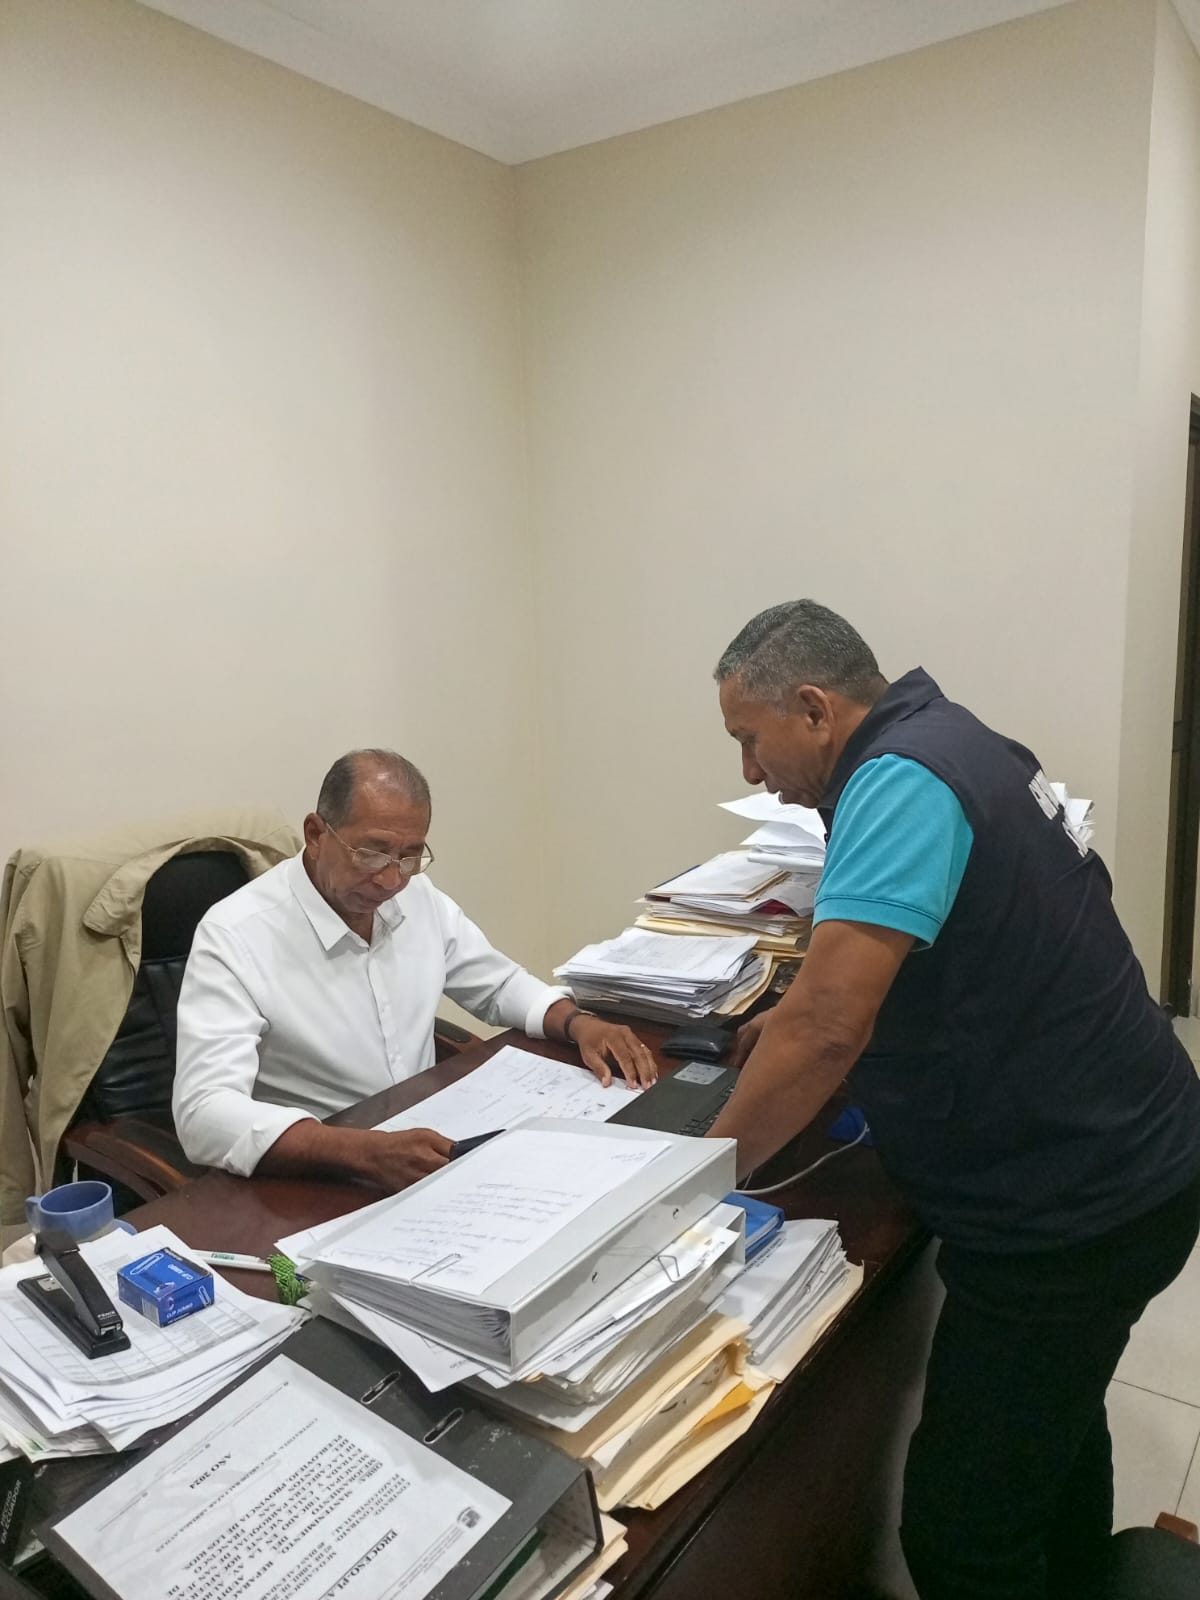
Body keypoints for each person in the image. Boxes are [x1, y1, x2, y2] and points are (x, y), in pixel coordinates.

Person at [706, 600, 1200, 1600]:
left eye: (750, 739)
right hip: (1139, 1156)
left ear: (814, 708)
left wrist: (693, 1185)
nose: (750, 771)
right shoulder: (951, 737)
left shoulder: (898, 781)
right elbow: (925, 962)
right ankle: (1077, 1575)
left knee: (961, 1535)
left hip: (1074, 1208)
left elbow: (829, 1027)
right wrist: (804, 1019)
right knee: (1055, 1425)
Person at [174, 749, 655, 1190]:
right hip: (318, 1168)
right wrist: (361, 1152)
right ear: (317, 835)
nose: (391, 879)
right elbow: (203, 1113)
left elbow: (496, 984)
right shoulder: (235, 934)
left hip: (422, 1145)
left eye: (409, 856)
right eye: (372, 852)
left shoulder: (414, 895)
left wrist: (577, 1023)